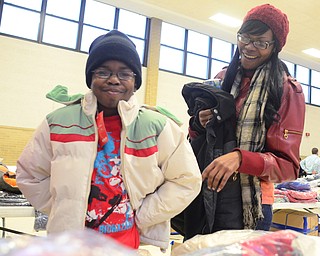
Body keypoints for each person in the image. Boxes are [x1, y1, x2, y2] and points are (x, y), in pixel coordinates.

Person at [16, 30, 202, 250]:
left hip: (130, 243)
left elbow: (186, 180)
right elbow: (29, 175)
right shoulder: (58, 122)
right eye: (103, 72)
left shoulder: (158, 126)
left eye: (125, 73)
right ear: (90, 78)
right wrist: (65, 207)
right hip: (69, 246)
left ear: (136, 82)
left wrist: (142, 216)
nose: (114, 79)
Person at [185, 3, 305, 236]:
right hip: (206, 194)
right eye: (245, 38)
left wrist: (240, 159)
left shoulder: (286, 90)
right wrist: (198, 123)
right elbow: (198, 138)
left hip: (251, 204)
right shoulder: (222, 79)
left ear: (275, 47)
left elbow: (289, 167)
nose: (249, 48)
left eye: (261, 43)